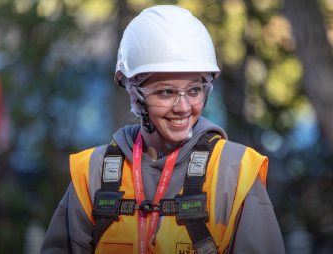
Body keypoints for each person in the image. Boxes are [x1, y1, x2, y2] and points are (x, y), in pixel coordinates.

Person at [42, 5, 285, 254]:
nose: (183, 108)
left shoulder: (235, 173)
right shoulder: (92, 174)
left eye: (194, 90)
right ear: (134, 95)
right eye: (166, 92)